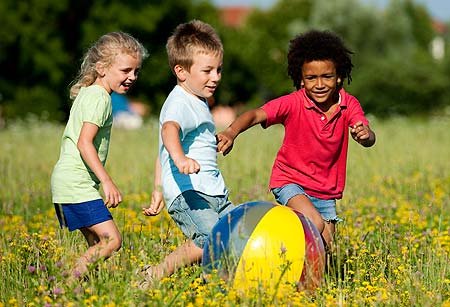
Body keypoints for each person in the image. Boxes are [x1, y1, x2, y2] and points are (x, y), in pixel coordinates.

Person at [217, 30, 376, 251]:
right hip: (290, 181)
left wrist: (365, 135)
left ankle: (309, 284)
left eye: (327, 76)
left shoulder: (349, 104)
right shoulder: (292, 103)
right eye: (311, 78)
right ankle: (273, 251)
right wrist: (231, 132)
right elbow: (255, 115)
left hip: (326, 190)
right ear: (301, 80)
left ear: (339, 76)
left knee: (325, 250)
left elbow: (367, 134)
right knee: (314, 223)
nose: (319, 84)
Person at [140, 20, 235, 286]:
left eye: (218, 70)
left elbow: (163, 151)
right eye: (207, 71)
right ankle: (163, 274)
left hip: (213, 191)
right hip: (190, 193)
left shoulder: (197, 100)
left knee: (236, 234)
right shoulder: (179, 102)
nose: (215, 77)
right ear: (181, 71)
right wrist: (181, 159)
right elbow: (168, 132)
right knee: (213, 241)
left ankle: (219, 280)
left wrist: (158, 188)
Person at [51, 31, 148, 281]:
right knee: (112, 240)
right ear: (102, 68)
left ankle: (85, 289)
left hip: (67, 182)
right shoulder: (100, 98)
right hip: (76, 183)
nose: (132, 77)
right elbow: (85, 143)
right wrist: (106, 180)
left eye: (136, 72)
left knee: (96, 243)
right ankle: (66, 285)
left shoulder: (89, 92)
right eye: (126, 70)